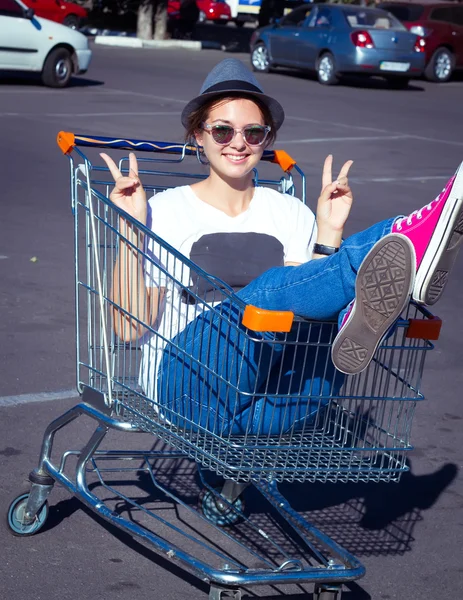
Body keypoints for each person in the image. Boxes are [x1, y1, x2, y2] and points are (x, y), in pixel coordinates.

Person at [101, 58, 463, 437]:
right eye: (222, 131)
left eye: (253, 132)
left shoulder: (289, 213)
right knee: (264, 297)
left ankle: (372, 284)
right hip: (189, 389)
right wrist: (132, 229)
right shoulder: (165, 212)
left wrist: (328, 233)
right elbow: (128, 328)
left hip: (269, 398)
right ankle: (408, 236)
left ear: (267, 139)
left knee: (321, 323)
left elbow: (310, 301)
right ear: (198, 135)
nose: (238, 143)